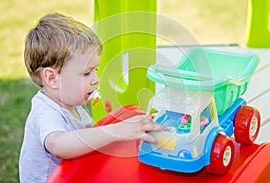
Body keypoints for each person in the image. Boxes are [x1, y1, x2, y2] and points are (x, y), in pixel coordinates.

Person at [19, 13, 165, 182]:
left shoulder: (73, 105)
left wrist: (108, 121)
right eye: (87, 73)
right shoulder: (46, 112)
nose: (96, 79)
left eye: (95, 70)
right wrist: (116, 130)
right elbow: (59, 145)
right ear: (52, 78)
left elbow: (86, 139)